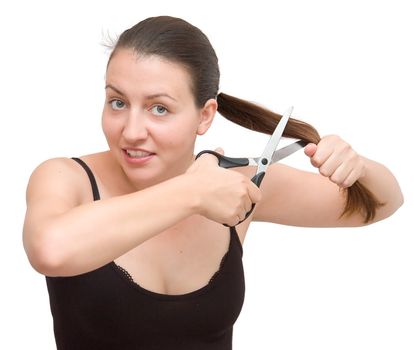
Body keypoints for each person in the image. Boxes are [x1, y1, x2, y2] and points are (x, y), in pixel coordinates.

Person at [22, 15, 403, 350]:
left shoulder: (237, 186)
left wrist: (359, 167)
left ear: (204, 117)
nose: (131, 131)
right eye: (117, 102)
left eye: (159, 108)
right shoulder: (65, 178)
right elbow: (50, 250)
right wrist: (191, 194)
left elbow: (384, 203)